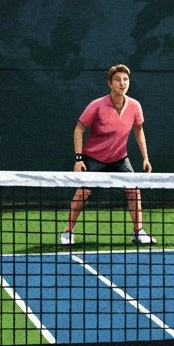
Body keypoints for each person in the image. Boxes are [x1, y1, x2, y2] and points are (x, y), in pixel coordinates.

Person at [61, 64, 155, 246]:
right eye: (118, 80)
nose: (122, 83)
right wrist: (79, 159)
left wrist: (145, 158)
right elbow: (79, 129)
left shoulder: (135, 106)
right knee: (82, 192)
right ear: (110, 84)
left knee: (133, 191)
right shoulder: (97, 105)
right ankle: (68, 231)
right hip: (94, 158)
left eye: (125, 79)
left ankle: (138, 232)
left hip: (120, 158)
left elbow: (139, 130)